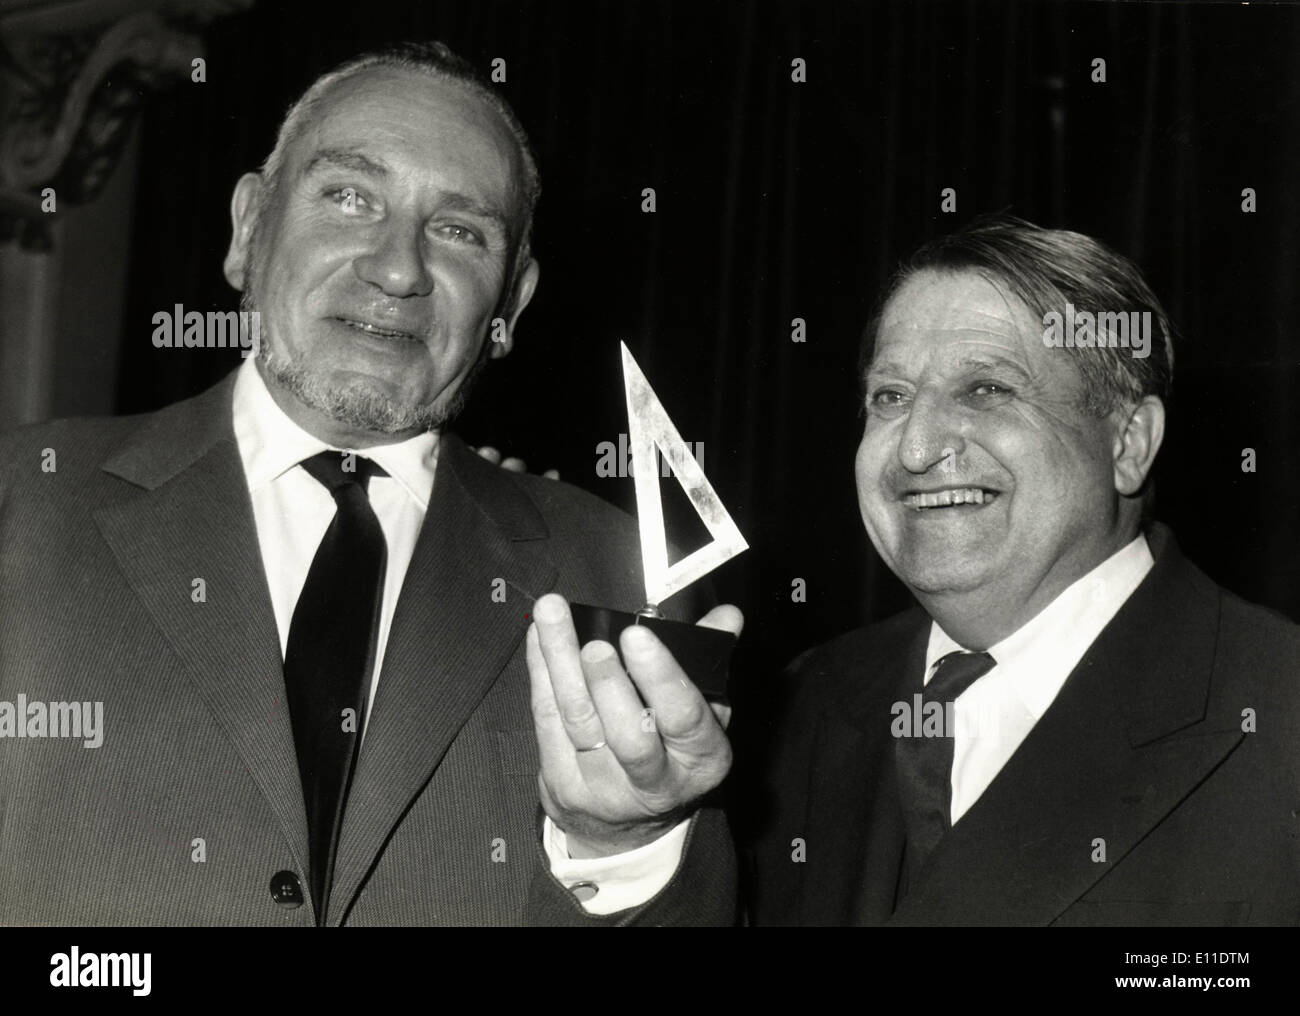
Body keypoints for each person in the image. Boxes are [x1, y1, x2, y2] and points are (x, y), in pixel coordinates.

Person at [0, 41, 738, 926]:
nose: (399, 269)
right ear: (247, 230)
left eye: (460, 231)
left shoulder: (623, 580)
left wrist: (622, 847)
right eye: (349, 197)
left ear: (511, 306)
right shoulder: (22, 503)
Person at [741, 215, 1300, 926]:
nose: (915, 448)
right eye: (891, 397)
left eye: (985, 390)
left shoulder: (1279, 713)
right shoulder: (804, 704)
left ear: (1128, 443)